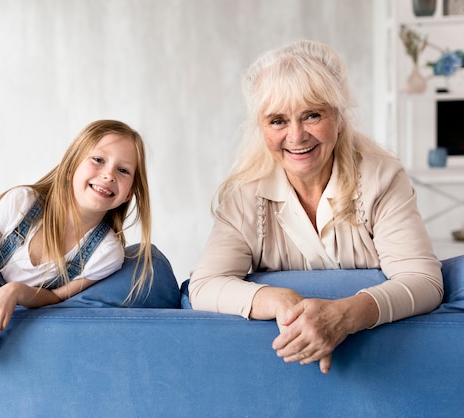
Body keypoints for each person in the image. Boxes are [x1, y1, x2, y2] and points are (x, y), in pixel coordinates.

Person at [188, 40, 444, 374]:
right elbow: (205, 286)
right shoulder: (243, 195)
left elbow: (424, 280)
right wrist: (282, 302)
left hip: (387, 366)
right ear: (260, 127)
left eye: (312, 115)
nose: (296, 137)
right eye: (277, 121)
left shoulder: (382, 177)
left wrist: (343, 316)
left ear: (339, 117)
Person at [0, 119, 154, 360]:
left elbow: (56, 297)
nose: (109, 175)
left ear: (130, 193)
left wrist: (17, 291)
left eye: (123, 170)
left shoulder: (106, 253)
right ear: (72, 165)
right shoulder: (21, 203)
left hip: (18, 299)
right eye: (98, 160)